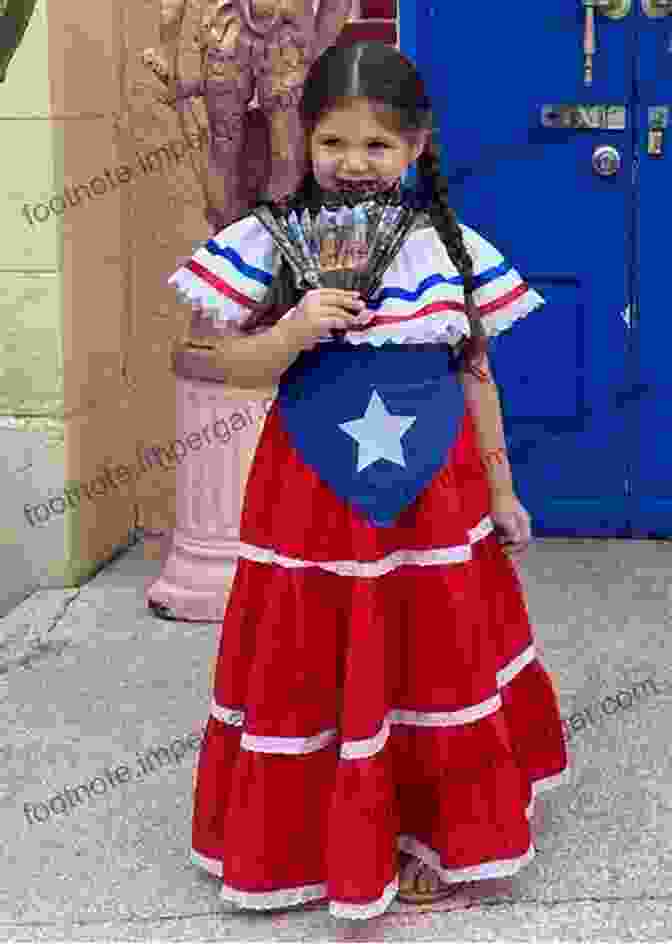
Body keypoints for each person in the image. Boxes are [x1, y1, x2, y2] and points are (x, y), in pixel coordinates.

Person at [169, 40, 569, 922]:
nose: (353, 165)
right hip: (308, 498)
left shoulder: (451, 251)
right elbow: (219, 365)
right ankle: (308, 834)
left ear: (419, 146)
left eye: (377, 146)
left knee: (432, 652)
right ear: (307, 141)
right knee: (310, 654)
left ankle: (427, 830)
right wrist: (295, 330)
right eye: (333, 143)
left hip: (434, 496)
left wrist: (502, 491)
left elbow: (476, 377)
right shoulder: (268, 242)